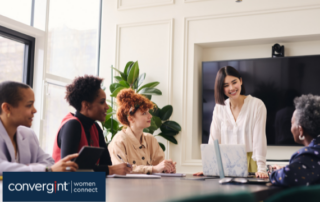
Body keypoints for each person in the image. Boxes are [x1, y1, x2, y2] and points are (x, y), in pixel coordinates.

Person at [194, 66, 268, 178]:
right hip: (225, 164)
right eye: (226, 85)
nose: (231, 88)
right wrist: (209, 167)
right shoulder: (219, 108)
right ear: (221, 88)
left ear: (241, 81)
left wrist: (262, 169)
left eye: (234, 82)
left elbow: (259, 140)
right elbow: (213, 140)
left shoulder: (257, 105)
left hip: (250, 164)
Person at [52, 75, 131, 175]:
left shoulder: (96, 128)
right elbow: (69, 169)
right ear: (86, 105)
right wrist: (109, 170)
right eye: (102, 102)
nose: (107, 107)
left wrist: (109, 169)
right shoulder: (72, 125)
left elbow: (106, 164)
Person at [0, 81, 78, 174]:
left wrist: (25, 170)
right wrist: (44, 170)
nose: (35, 110)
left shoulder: (28, 134)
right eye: (29, 105)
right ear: (7, 108)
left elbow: (49, 162)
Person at [108, 88, 176, 174]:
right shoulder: (119, 140)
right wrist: (152, 169)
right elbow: (121, 170)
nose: (150, 116)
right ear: (131, 118)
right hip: (125, 187)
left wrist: (168, 169)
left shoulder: (151, 139)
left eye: (148, 112)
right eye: (144, 113)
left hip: (149, 186)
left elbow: (160, 167)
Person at [270, 94, 320, 186]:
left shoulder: (307, 155)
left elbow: (287, 176)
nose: (291, 128)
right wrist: (288, 167)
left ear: (300, 130)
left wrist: (274, 173)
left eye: (292, 123)